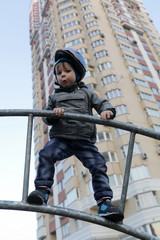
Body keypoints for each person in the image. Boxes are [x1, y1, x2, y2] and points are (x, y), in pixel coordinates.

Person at [27, 48, 124, 222]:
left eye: (67, 71)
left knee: (98, 165)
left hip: (83, 140)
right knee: (46, 154)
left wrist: (107, 111)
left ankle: (104, 203)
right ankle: (42, 191)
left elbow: (101, 103)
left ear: (78, 73)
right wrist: (53, 115)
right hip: (61, 139)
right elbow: (46, 118)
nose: (62, 75)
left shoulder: (87, 93)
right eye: (59, 73)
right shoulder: (55, 97)